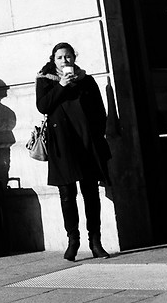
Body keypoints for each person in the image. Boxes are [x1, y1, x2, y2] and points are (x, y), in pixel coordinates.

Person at [36, 41, 112, 262]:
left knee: (90, 193)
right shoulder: (46, 81)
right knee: (67, 195)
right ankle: (73, 241)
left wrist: (96, 134)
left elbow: (99, 111)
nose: (65, 61)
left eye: (68, 56)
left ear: (74, 58)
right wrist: (61, 85)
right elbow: (43, 106)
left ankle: (95, 241)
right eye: (60, 57)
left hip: (86, 143)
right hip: (62, 145)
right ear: (53, 60)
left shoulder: (86, 80)